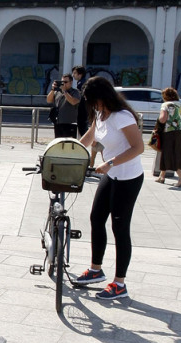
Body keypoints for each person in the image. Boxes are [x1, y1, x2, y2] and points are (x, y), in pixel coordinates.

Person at [74, 76, 144, 300]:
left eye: (91, 99)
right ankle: (96, 269)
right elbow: (91, 135)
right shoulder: (99, 113)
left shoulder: (121, 116)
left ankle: (120, 284)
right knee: (96, 218)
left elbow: (138, 147)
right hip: (111, 175)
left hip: (128, 177)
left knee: (120, 228)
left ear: (102, 97)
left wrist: (110, 162)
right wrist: (70, 149)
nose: (90, 103)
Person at [155, 87, 181, 186]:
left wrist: (158, 124)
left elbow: (162, 119)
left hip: (168, 131)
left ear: (165, 96)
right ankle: (162, 176)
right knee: (175, 151)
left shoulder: (165, 105)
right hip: (179, 132)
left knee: (169, 153)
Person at [47, 73, 80, 138]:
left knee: (69, 145)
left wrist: (65, 91)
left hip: (70, 123)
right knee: (59, 143)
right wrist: (53, 89)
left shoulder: (75, 92)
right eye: (62, 82)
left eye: (65, 82)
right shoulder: (58, 92)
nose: (63, 84)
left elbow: (73, 102)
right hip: (58, 122)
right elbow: (49, 100)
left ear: (71, 82)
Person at [72, 65, 89, 138]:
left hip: (82, 109)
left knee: (83, 129)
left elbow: (80, 98)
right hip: (85, 109)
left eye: (75, 73)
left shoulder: (81, 84)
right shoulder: (83, 82)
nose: (73, 75)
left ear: (80, 74)